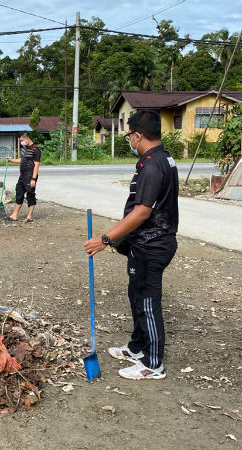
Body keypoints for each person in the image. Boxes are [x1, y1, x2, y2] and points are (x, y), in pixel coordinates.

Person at [83, 110, 179, 380]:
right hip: (144, 243)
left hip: (153, 245)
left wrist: (105, 239)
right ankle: (137, 347)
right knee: (136, 295)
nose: (129, 141)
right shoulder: (163, 158)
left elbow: (141, 213)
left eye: (129, 136)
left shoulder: (151, 166)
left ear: (138, 135)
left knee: (148, 302)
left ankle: (153, 364)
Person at [6, 132, 40, 223]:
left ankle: (29, 216)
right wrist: (11, 160)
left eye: (22, 140)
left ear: (27, 139)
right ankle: (15, 215)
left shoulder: (36, 150)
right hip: (22, 175)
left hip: (30, 175)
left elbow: (36, 165)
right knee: (19, 192)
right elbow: (22, 160)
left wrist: (33, 179)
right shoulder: (25, 148)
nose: (21, 142)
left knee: (30, 195)